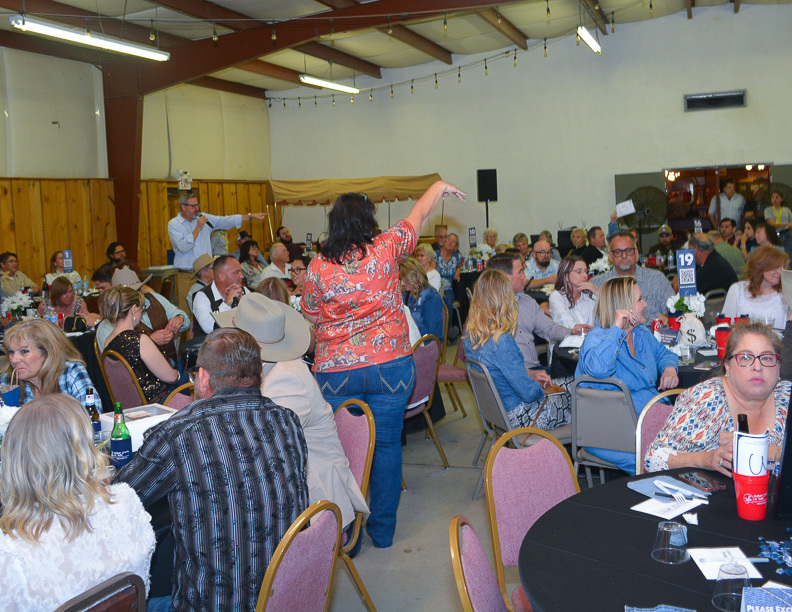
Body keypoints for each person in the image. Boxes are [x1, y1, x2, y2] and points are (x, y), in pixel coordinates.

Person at [300, 181, 465, 550]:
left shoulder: (319, 265)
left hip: (336, 371)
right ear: (369, 219)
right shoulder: (387, 247)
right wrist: (438, 187)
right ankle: (384, 532)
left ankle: (350, 536)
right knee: (387, 445)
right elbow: (419, 214)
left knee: (342, 451)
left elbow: (309, 313)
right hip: (389, 366)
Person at [115, 328, 309, 611]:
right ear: (259, 375)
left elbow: (119, 499)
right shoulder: (288, 421)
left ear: (203, 377)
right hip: (283, 597)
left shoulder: (179, 433)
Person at [213, 293, 367, 529]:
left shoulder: (286, 378)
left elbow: (265, 447)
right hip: (286, 483)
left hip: (314, 504)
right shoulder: (266, 367)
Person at [0, 394, 155, 610]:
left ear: (14, 460)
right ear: (85, 447)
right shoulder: (127, 503)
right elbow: (143, 586)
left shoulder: (13, 555)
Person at [645, 323, 789, 475]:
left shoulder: (786, 397)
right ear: (727, 366)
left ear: (778, 367)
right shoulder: (708, 398)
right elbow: (653, 458)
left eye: (767, 358)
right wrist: (705, 459)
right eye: (746, 358)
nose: (758, 367)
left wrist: (769, 451)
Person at [576, 276, 679, 474]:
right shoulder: (597, 338)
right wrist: (617, 330)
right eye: (640, 300)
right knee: (662, 461)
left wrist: (669, 368)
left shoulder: (641, 333)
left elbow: (664, 354)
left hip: (647, 422)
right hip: (609, 433)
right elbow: (599, 369)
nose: (646, 304)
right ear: (623, 307)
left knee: (686, 448)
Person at [466, 269, 569, 430]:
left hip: (498, 413)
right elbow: (529, 394)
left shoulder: (471, 337)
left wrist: (530, 374)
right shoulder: (502, 341)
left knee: (569, 384)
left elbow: (499, 372)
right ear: (505, 300)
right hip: (523, 417)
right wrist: (544, 389)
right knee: (580, 394)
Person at [167, 192, 267, 313]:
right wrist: (198, 227)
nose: (197, 208)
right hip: (187, 275)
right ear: (183, 207)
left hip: (208, 274)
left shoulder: (204, 218)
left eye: (198, 205)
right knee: (187, 312)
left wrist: (251, 216)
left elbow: (226, 220)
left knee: (212, 307)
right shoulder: (174, 224)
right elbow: (183, 246)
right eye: (193, 206)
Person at [101, 287, 180, 404]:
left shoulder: (108, 341)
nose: (141, 313)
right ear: (133, 309)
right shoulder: (139, 340)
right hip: (158, 403)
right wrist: (178, 375)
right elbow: (171, 377)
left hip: (130, 404)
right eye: (141, 309)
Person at [0, 318, 102, 410]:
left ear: (48, 352)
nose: (14, 360)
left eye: (24, 352)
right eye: (11, 352)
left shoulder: (69, 372)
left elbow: (91, 414)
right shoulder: (9, 381)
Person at [95, 266, 189, 363]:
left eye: (138, 290)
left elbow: (184, 318)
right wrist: (149, 342)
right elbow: (118, 364)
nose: (137, 296)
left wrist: (179, 319)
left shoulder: (155, 298)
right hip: (142, 370)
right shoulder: (106, 327)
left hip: (169, 362)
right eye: (131, 294)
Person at [590, 231, 674, 322]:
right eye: (618, 252)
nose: (624, 256)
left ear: (636, 253)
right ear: (610, 256)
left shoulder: (657, 279)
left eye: (628, 250)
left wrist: (666, 319)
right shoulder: (597, 285)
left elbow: (675, 311)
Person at [723, 246, 789, 327]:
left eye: (782, 267)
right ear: (760, 267)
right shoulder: (738, 290)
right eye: (775, 268)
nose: (780, 272)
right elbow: (725, 325)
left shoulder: (786, 293)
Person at [670, 233, 737, 295]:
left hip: (716, 304)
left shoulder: (708, 269)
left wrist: (678, 282)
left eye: (689, 250)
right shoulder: (715, 260)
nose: (688, 254)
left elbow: (680, 292)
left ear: (696, 249)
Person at [400, 257, 444, 341]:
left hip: (426, 343)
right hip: (412, 340)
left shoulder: (431, 297)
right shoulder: (406, 294)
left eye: (404, 279)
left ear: (413, 276)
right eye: (400, 279)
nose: (402, 283)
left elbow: (431, 333)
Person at [549, 256, 598, 328]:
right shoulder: (556, 297)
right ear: (566, 276)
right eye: (579, 272)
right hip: (569, 335)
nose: (585, 275)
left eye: (586, 271)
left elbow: (611, 314)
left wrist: (598, 292)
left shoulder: (590, 295)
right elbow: (566, 323)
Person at [36, 275, 101, 326]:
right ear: (57, 295)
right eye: (65, 293)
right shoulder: (45, 305)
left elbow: (86, 324)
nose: (69, 296)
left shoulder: (79, 303)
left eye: (70, 291)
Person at [435, 232, 464, 319]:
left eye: (454, 241)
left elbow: (460, 263)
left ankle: (448, 325)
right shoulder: (435, 255)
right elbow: (431, 272)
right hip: (435, 286)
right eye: (449, 240)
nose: (450, 242)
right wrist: (438, 290)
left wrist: (458, 269)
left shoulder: (457, 256)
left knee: (448, 301)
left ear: (456, 246)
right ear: (444, 241)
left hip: (448, 288)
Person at [765, 189, 792, 256]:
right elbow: (772, 224)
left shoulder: (786, 210)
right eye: (772, 197)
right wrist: (787, 224)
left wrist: (789, 225)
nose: (774, 199)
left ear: (781, 199)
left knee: (788, 253)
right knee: (776, 254)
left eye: (777, 197)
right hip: (774, 234)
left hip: (786, 234)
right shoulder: (768, 210)